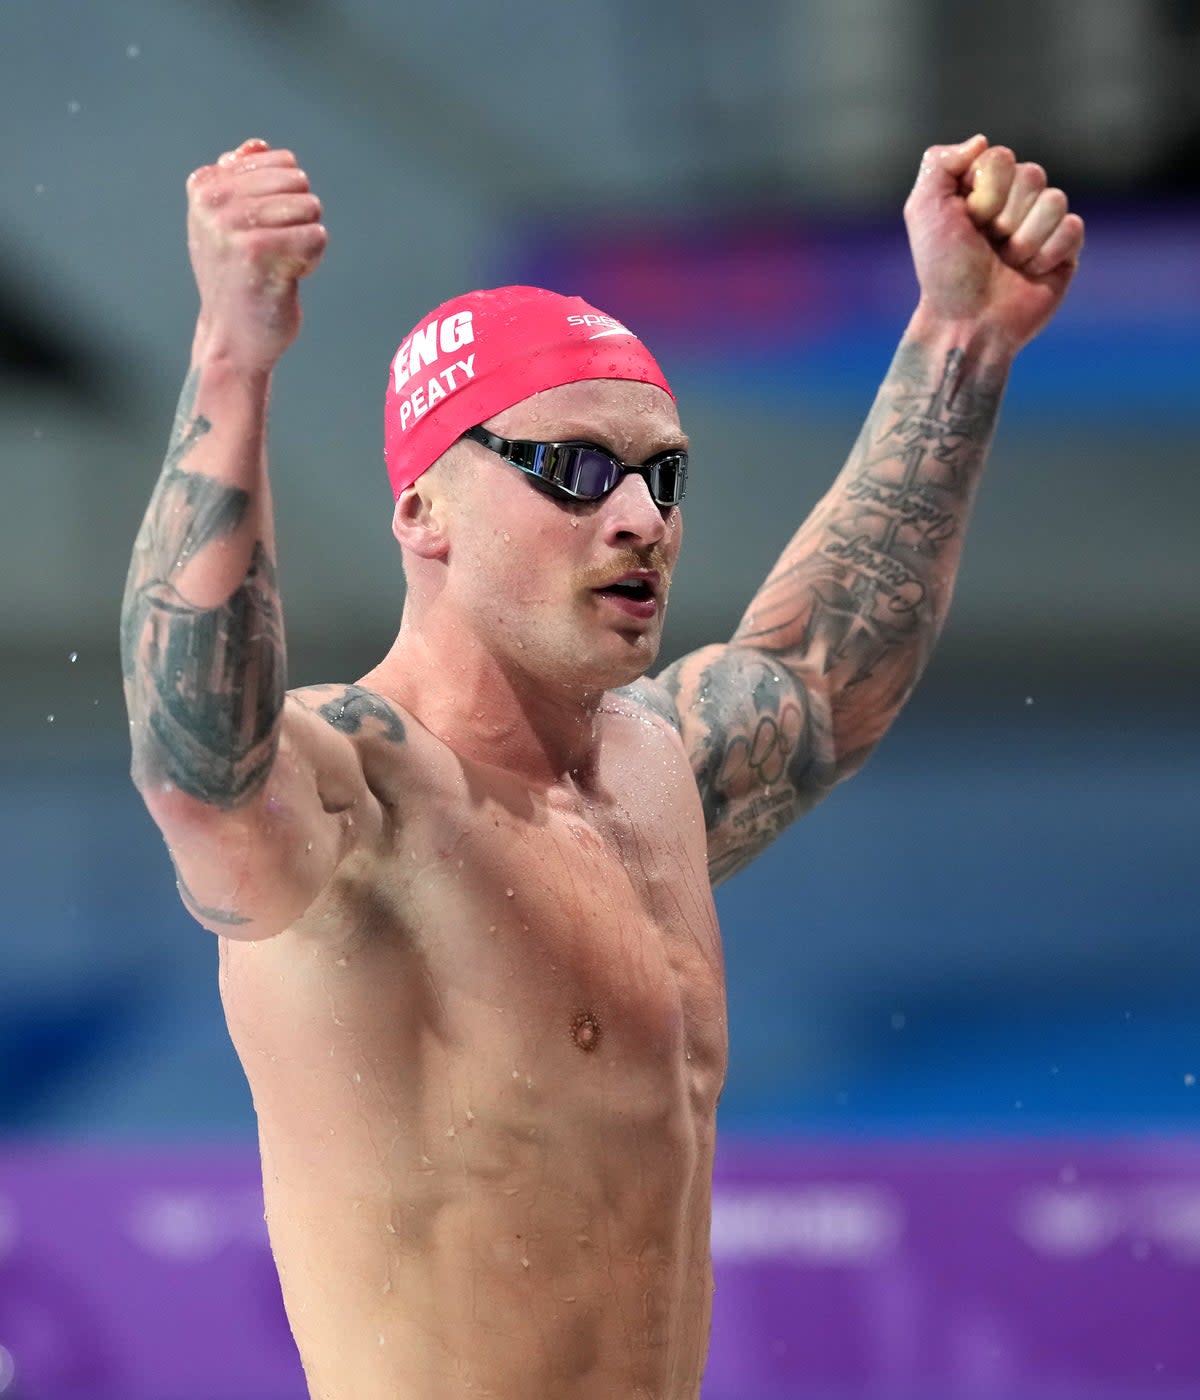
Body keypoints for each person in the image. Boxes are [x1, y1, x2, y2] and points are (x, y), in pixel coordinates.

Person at [121, 133, 1083, 1399]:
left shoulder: (655, 770)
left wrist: (962, 339)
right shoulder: (358, 800)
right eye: (575, 471)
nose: (640, 517)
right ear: (423, 511)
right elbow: (200, 766)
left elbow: (822, 678)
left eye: (660, 473)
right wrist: (233, 353)